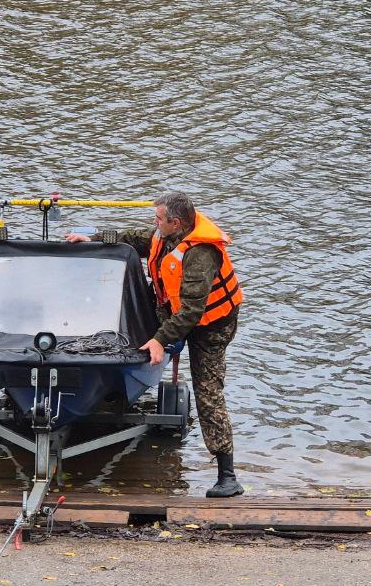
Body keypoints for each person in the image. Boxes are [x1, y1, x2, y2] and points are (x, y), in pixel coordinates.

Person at [65, 192, 244, 497]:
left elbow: (191, 312)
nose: (154, 222)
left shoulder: (201, 254)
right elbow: (136, 239)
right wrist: (91, 238)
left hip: (210, 327)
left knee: (208, 392)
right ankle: (107, 384)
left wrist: (160, 340)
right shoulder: (166, 235)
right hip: (173, 310)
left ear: (175, 222)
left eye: (159, 218)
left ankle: (227, 475)